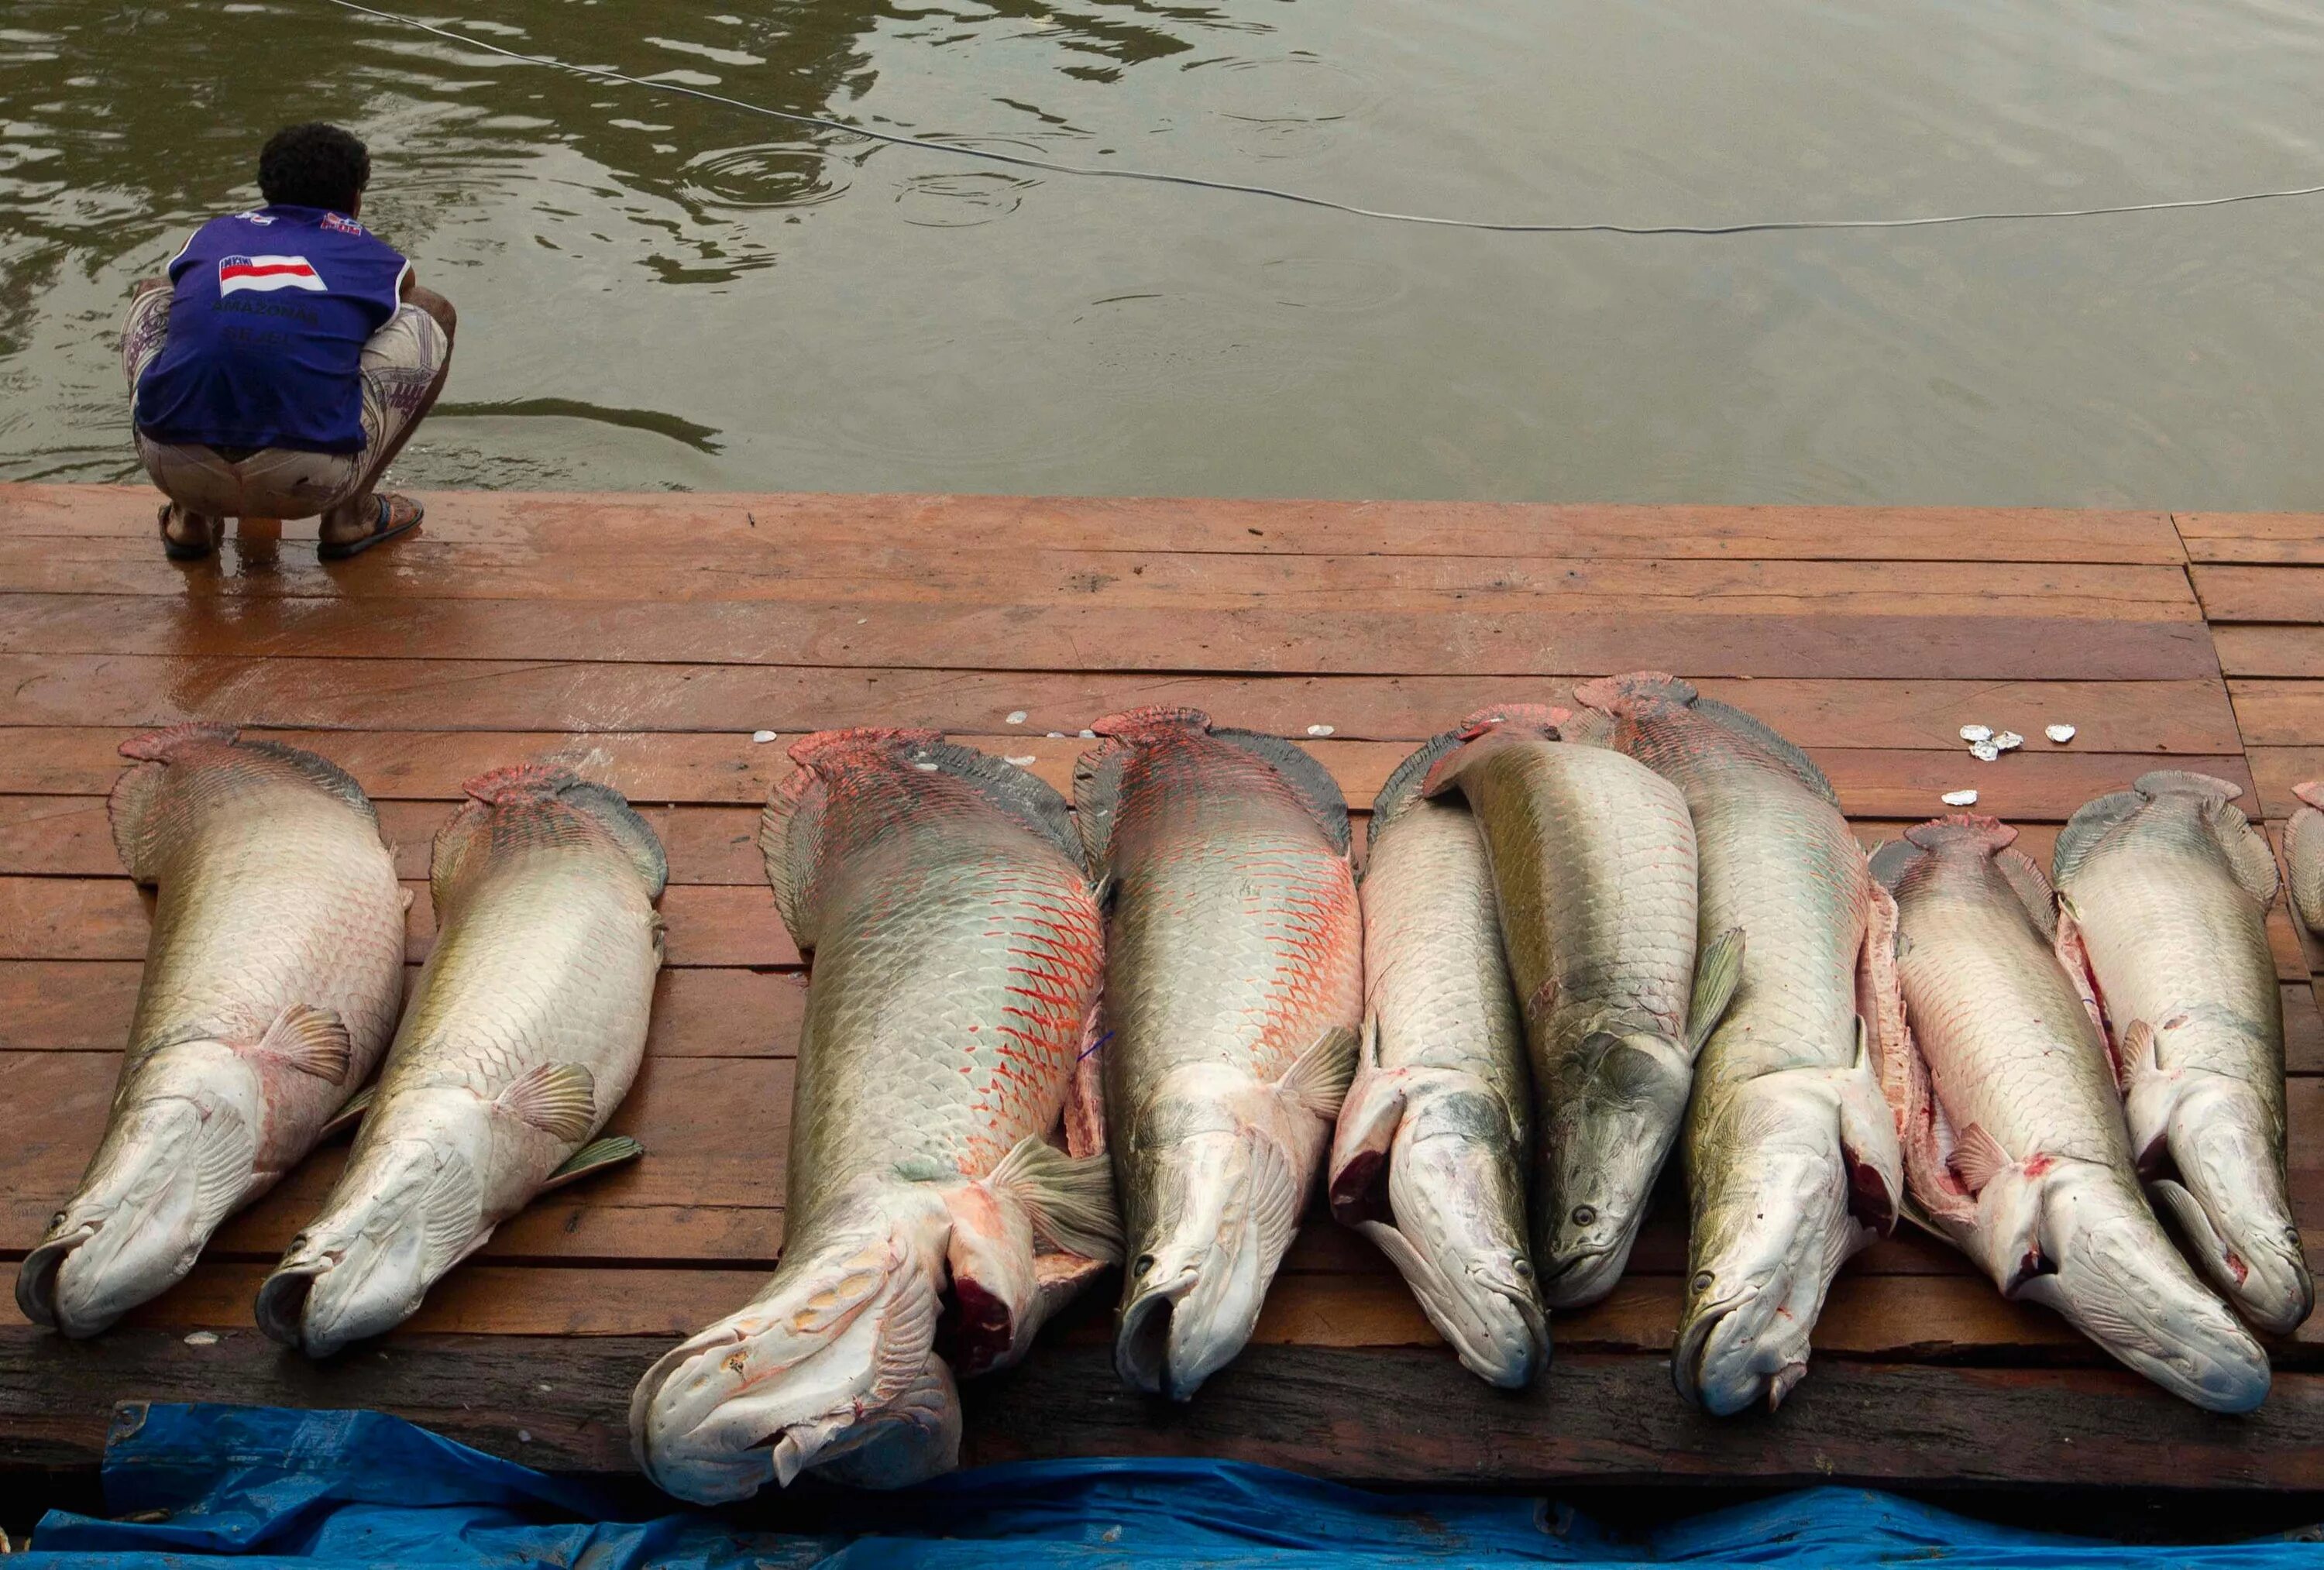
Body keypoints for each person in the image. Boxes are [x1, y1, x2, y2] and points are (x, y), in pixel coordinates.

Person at [123, 122, 456, 560]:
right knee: (434, 310)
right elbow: (403, 298)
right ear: (356, 199)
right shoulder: (375, 255)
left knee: (154, 290)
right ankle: (349, 515)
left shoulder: (208, 236)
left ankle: (190, 518)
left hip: (173, 465)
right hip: (310, 478)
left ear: (267, 188)